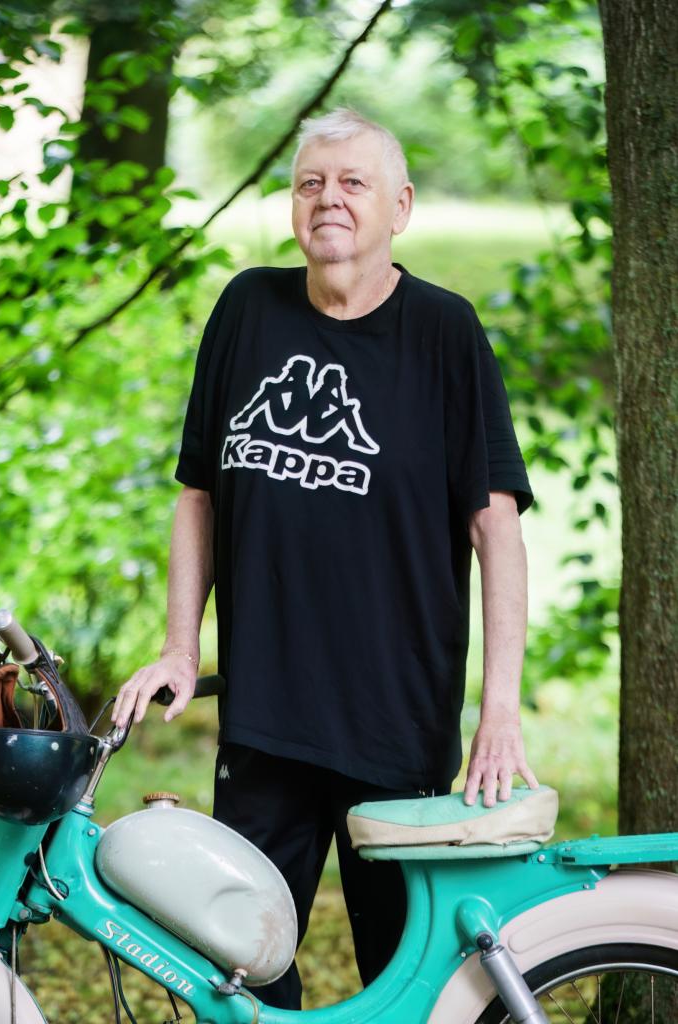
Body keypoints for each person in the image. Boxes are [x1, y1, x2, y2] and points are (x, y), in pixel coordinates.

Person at [112, 107, 538, 1009]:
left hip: (397, 721)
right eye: (310, 183)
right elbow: (198, 496)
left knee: (410, 981)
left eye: (352, 183)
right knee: (239, 972)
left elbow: (495, 527)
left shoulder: (444, 333)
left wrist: (498, 709)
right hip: (265, 716)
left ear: (400, 207)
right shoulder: (247, 309)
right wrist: (181, 648)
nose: (328, 199)